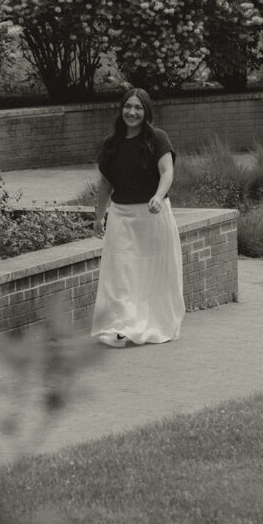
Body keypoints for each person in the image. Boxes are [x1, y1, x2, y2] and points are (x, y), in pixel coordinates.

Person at [91, 87, 185, 347]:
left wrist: (158, 196)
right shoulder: (111, 145)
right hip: (121, 216)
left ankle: (151, 322)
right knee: (120, 272)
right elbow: (105, 184)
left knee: (152, 271)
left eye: (138, 108)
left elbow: (167, 171)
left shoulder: (158, 138)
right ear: (121, 110)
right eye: (128, 107)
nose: (132, 112)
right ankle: (121, 325)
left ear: (146, 111)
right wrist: (99, 216)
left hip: (153, 217)